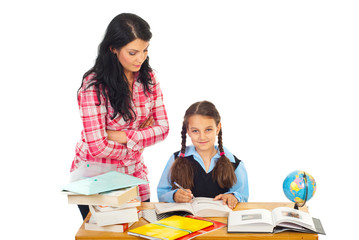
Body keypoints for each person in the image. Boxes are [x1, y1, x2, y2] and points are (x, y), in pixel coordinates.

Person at [70, 13, 169, 219]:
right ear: (113, 49)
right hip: (95, 179)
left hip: (134, 175)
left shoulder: (148, 78)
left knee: (140, 229)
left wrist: (120, 135)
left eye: (145, 50)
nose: (140, 58)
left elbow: (163, 128)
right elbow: (97, 148)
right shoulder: (93, 87)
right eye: (133, 52)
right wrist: (139, 138)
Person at [157, 101, 248, 209]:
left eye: (208, 129)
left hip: (223, 222)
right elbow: (162, 193)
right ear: (188, 131)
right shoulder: (176, 159)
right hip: (186, 222)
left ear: (217, 128)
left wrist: (232, 196)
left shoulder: (235, 164)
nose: (202, 137)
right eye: (195, 131)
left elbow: (242, 196)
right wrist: (174, 195)